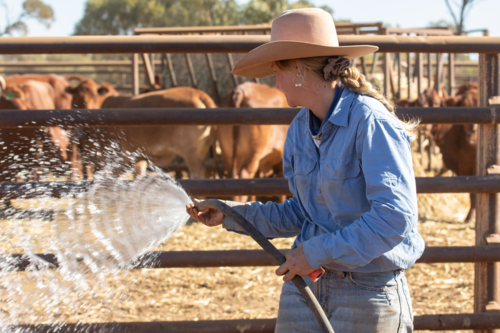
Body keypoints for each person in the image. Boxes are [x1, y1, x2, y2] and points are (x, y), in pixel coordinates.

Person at [186, 7, 424, 333]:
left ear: (298, 68)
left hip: (366, 290)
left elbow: (394, 217)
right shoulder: (300, 128)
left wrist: (314, 253)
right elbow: (303, 212)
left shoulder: (371, 122)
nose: (274, 79)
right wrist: (230, 213)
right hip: (306, 286)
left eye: (277, 68)